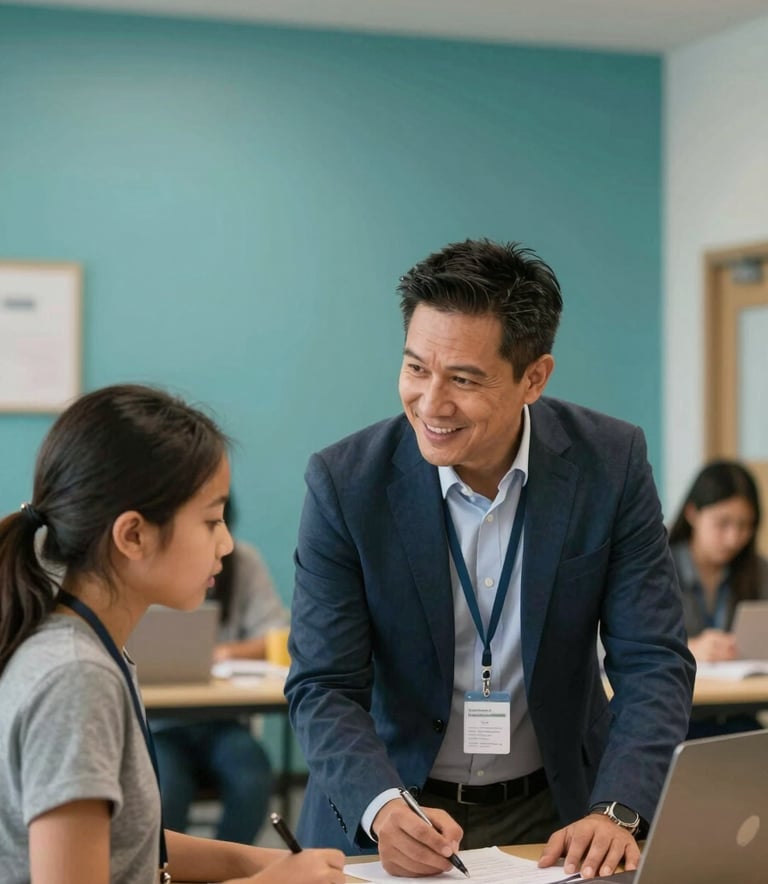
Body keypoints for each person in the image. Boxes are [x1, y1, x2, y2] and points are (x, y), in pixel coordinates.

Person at [285, 239, 695, 880]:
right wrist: (383, 806)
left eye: (464, 379)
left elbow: (653, 662)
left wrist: (619, 809)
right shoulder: (345, 483)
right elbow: (323, 685)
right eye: (416, 368)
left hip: (561, 817)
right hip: (393, 818)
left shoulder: (607, 465)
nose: (430, 403)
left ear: (534, 377)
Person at [0, 384, 345, 884]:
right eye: (210, 521)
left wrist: (256, 861)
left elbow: (132, 843)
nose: (225, 543)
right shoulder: (76, 677)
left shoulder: (89, 646)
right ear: (133, 535)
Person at [151, 496, 288, 844]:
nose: (222, 545)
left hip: (221, 721)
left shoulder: (242, 562)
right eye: (209, 524)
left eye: (221, 522)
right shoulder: (147, 571)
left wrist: (222, 653)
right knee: (165, 791)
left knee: (251, 777)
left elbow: (279, 634)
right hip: (160, 727)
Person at [668, 459, 768, 736]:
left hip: (738, 717)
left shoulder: (758, 571)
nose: (734, 537)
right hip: (676, 720)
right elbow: (607, 651)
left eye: (745, 525)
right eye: (722, 523)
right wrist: (689, 649)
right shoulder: (655, 568)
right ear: (692, 513)